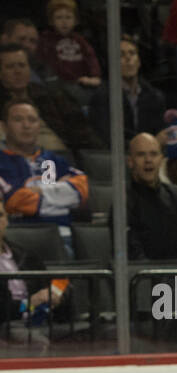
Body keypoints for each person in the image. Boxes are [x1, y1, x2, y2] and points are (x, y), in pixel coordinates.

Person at [0, 98, 87, 244]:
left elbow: (81, 188)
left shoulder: (53, 160)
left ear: (39, 125)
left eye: (32, 120)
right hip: (18, 238)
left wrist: (39, 192)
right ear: (4, 126)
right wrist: (60, 193)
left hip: (64, 234)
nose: (26, 125)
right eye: (18, 120)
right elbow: (13, 202)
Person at [124, 133, 177, 263]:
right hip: (145, 279)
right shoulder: (124, 202)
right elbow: (133, 254)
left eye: (153, 154)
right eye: (141, 154)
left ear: (161, 159)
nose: (148, 160)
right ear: (130, 162)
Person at [0, 43, 98, 151]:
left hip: (64, 156)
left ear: (29, 69)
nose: (18, 71)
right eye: (10, 67)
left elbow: (82, 131)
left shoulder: (51, 95)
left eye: (22, 65)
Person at [0, 205, 64, 342]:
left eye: (0, 215)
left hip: (42, 319)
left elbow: (50, 283)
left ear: (7, 221)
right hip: (9, 323)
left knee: (105, 334)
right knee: (37, 342)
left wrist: (55, 293)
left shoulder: (25, 254)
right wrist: (29, 303)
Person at [89, 35, 167, 146]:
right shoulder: (102, 97)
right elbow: (105, 139)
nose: (128, 58)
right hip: (118, 157)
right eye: (121, 55)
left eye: (132, 53)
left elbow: (160, 133)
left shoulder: (155, 96)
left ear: (139, 61)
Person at [37, 0, 100, 92]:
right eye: (59, 18)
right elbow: (47, 64)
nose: (64, 22)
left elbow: (91, 58)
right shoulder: (46, 40)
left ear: (76, 20)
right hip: (58, 85)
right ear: (51, 21)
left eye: (68, 17)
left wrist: (95, 76)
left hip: (82, 83)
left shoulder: (80, 41)